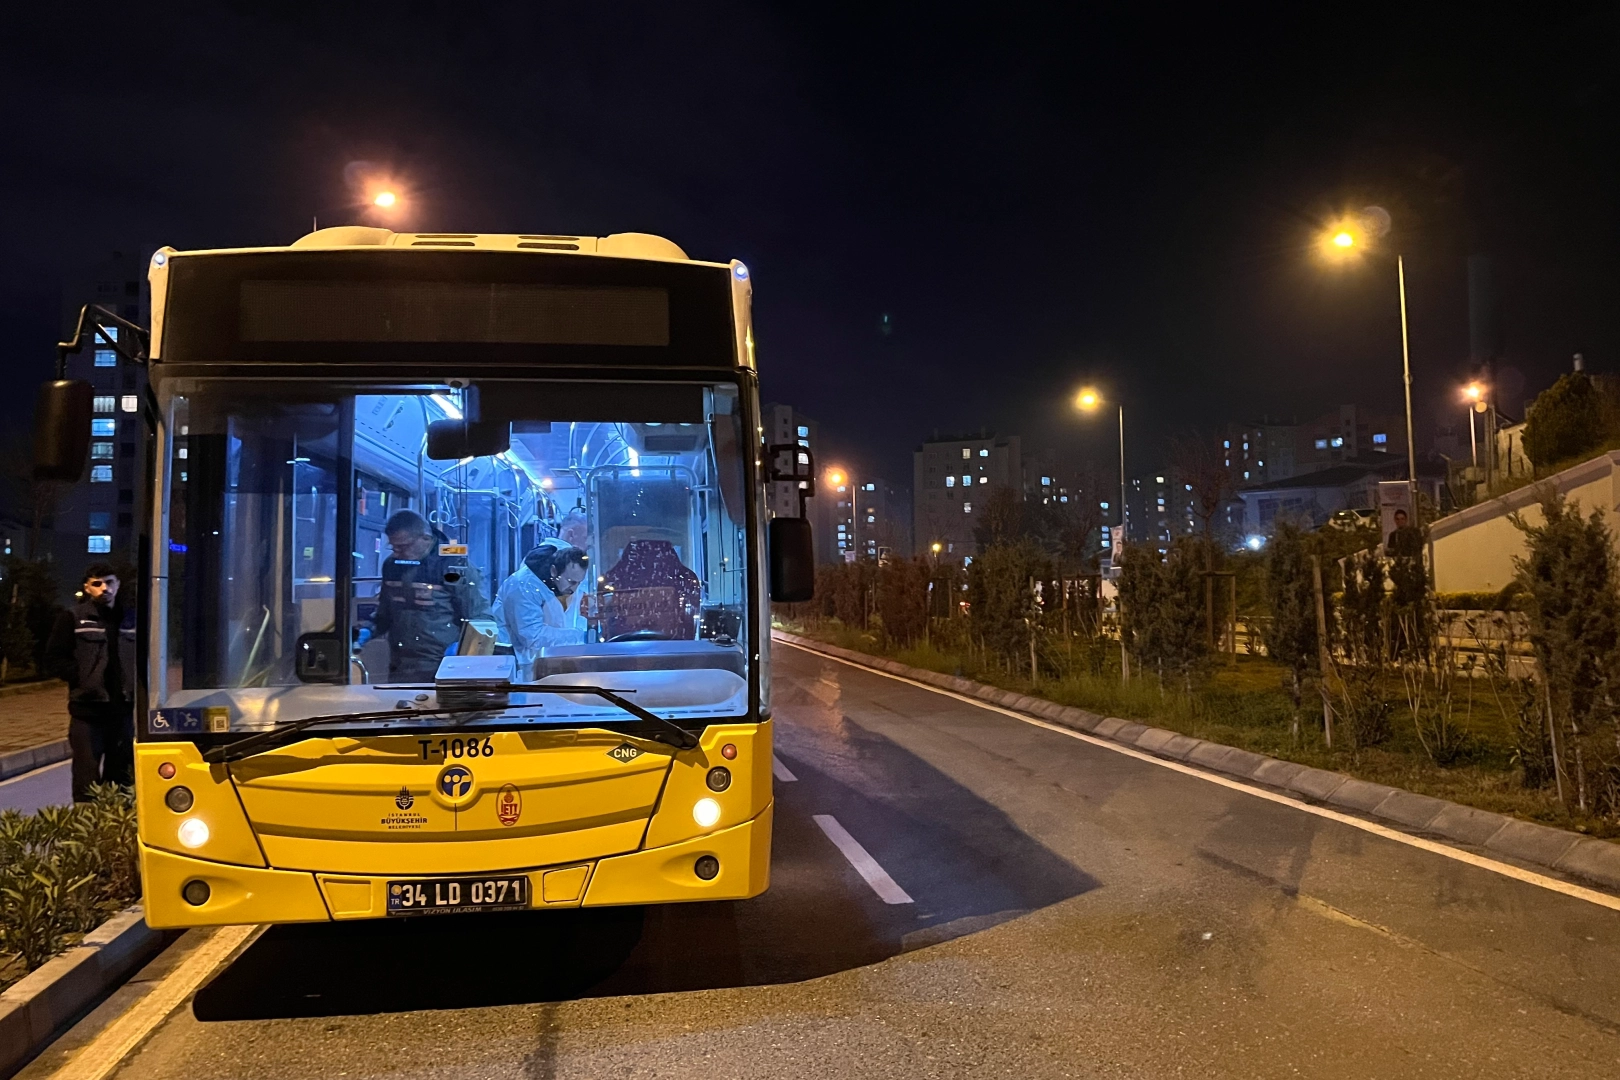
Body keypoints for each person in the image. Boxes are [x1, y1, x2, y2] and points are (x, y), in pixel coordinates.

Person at [46, 564, 135, 801]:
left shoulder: (131, 619)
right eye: (97, 584)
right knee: (86, 777)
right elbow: (54, 657)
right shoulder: (73, 618)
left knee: (122, 776)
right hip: (88, 713)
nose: (104, 588)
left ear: (118, 584)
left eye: (109, 582)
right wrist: (80, 678)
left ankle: (116, 828)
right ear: (87, 587)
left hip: (123, 711)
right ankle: (88, 831)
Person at [369, 510, 492, 681]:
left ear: (426, 539)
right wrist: (369, 630)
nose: (397, 553)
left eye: (404, 547)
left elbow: (479, 617)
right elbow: (385, 612)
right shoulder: (392, 566)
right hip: (400, 663)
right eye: (394, 547)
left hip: (443, 664)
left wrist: (467, 653)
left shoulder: (453, 565)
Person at [496, 542, 589, 672]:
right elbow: (532, 637)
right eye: (571, 582)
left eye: (579, 583)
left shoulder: (559, 582)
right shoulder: (523, 587)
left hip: (544, 662)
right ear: (553, 571)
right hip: (516, 665)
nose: (574, 589)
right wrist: (582, 636)